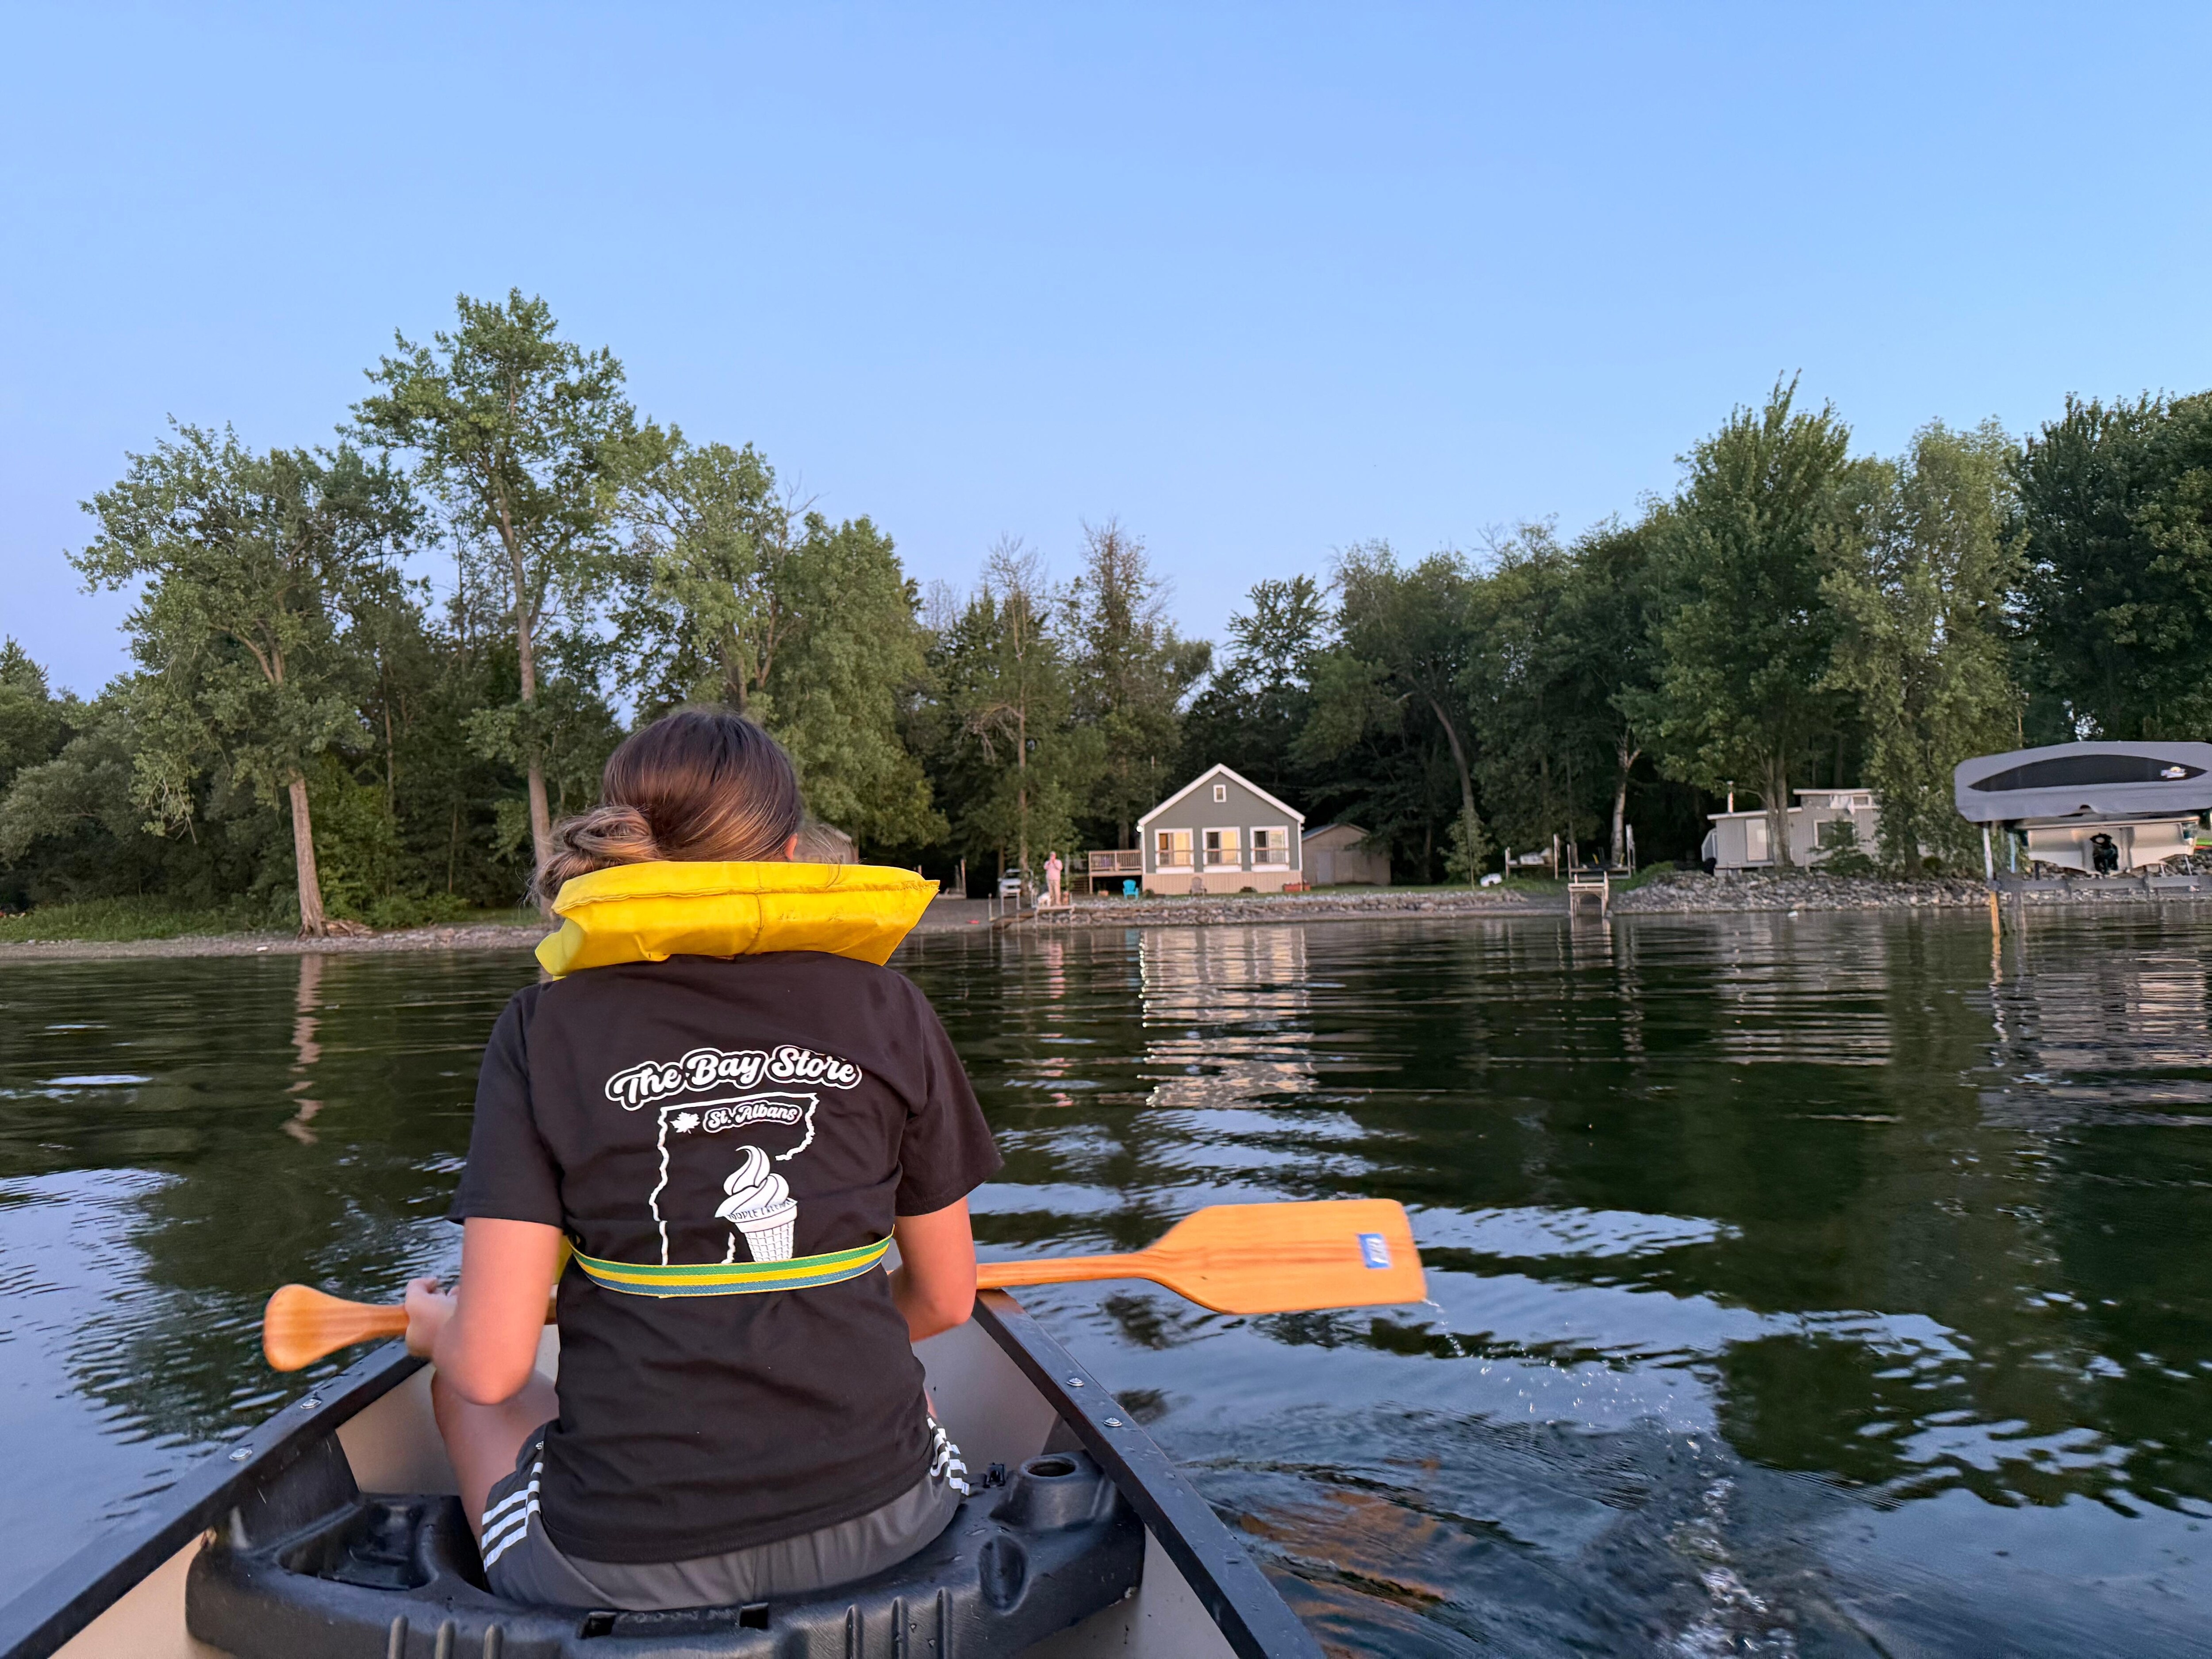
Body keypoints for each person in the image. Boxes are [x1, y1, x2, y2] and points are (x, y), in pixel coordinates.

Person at [404, 708, 1000, 1611]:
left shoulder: (541, 1029)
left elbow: (490, 1367)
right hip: (892, 1526)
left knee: (469, 1394)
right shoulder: (892, 1009)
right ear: (791, 855)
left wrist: (433, 1330)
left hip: (619, 1568)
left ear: (620, 855)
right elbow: (948, 1299)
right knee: (909, 1401)